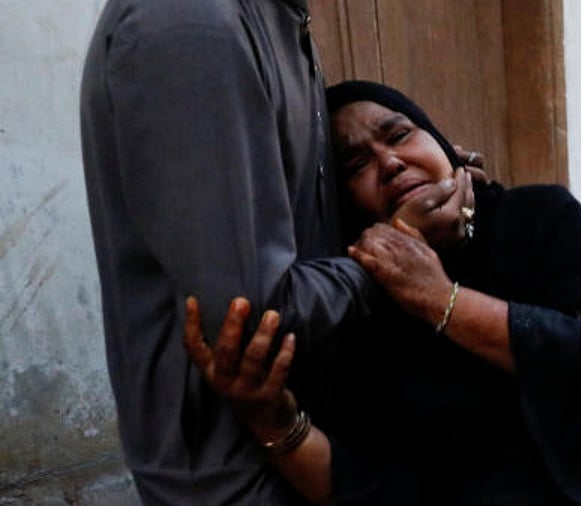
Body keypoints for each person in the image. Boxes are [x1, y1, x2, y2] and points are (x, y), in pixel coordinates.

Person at [185, 81, 581, 505]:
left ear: (442, 144)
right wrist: (273, 423)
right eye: (355, 164)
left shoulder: (534, 216)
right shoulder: (352, 302)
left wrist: (440, 299)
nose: (387, 162)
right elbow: (372, 488)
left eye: (398, 135)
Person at [79, 1, 471, 503]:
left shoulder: (274, 17)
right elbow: (251, 319)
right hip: (240, 477)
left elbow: (293, 224)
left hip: (314, 458)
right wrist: (399, 252)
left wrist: (430, 184)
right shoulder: (192, 24)